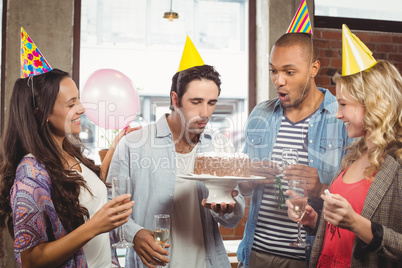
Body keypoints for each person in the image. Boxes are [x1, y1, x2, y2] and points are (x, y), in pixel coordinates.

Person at [107, 63, 245, 268]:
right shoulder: (133, 145)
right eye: (196, 102)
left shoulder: (220, 145)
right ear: (175, 99)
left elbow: (233, 216)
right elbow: (110, 209)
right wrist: (134, 234)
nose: (205, 112)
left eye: (211, 103)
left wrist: (227, 209)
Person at [236, 33, 352, 268]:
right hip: (256, 253)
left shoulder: (341, 118)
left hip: (308, 257)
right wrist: (248, 177)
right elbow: (241, 188)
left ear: (313, 68)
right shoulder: (261, 114)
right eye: (273, 71)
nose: (278, 81)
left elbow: (358, 205)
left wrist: (321, 189)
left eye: (289, 72)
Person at [0, 69, 136, 267]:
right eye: (71, 104)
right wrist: (95, 226)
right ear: (41, 113)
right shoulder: (30, 174)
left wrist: (116, 145)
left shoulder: (67, 151)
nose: (81, 109)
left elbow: (86, 189)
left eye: (78, 100)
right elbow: (30, 260)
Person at [286, 60, 401, 266]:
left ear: (373, 102)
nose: (338, 114)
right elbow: (340, 232)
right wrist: (314, 221)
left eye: (344, 104)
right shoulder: (354, 153)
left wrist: (357, 224)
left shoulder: (398, 162)